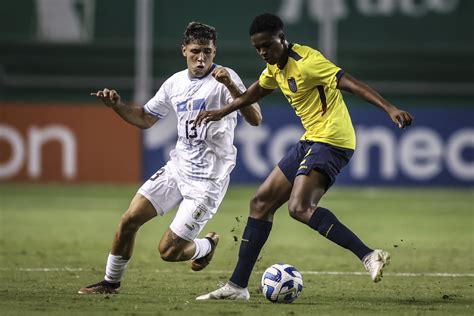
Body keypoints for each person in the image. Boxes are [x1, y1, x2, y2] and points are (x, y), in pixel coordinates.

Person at [194, 13, 413, 300]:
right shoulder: (275, 66)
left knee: (299, 207)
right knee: (260, 203)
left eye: (268, 46)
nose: (263, 53)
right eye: (258, 48)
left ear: (282, 39)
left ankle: (370, 255)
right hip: (311, 139)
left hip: (333, 139)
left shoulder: (308, 62)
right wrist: (222, 111)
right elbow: (255, 92)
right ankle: (237, 286)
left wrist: (390, 109)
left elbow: (352, 84)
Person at [78, 22, 262, 295]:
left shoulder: (225, 78)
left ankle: (206, 246)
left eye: (208, 52)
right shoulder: (174, 84)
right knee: (129, 220)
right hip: (177, 169)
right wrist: (117, 106)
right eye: (196, 51)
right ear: (184, 50)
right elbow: (145, 118)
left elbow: (255, 118)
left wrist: (233, 87)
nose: (202, 58)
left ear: (215, 52)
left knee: (168, 251)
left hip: (207, 182)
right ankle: (110, 283)